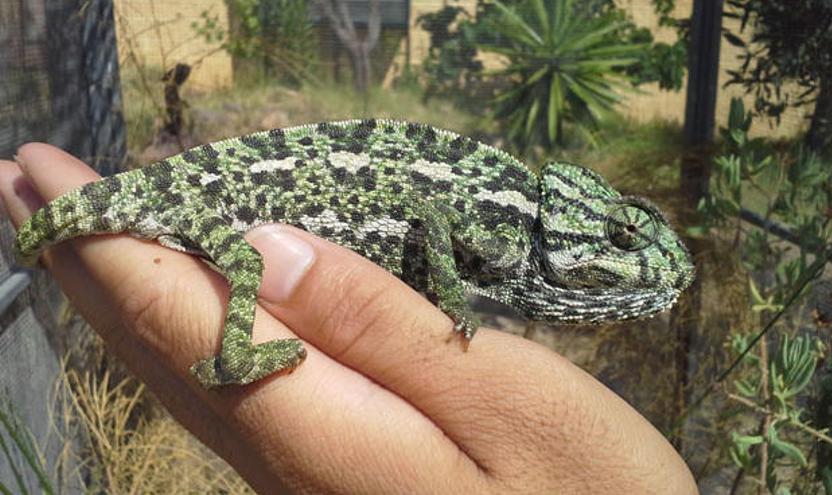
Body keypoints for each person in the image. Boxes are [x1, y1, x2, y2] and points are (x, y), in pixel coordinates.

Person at [0, 143, 698, 494]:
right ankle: (233, 357)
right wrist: (449, 302)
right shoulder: (510, 227)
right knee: (245, 266)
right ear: (571, 216)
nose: (623, 257)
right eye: (620, 236)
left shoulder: (511, 216)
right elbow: (430, 216)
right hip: (214, 198)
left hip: (216, 197)